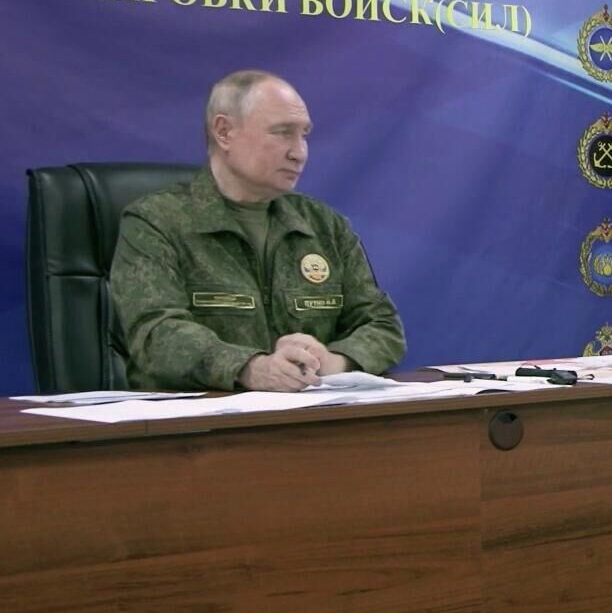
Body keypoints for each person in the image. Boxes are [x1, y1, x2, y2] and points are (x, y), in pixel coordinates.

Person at [111, 70, 405, 391]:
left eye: (304, 134)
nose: (299, 152)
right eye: (283, 132)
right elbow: (156, 333)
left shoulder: (324, 225)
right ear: (224, 132)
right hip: (201, 416)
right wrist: (251, 368)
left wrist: (333, 361)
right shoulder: (157, 221)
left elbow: (382, 325)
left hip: (312, 412)